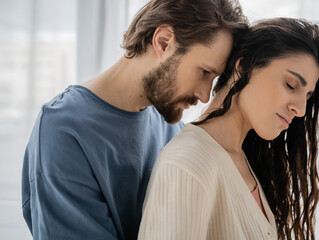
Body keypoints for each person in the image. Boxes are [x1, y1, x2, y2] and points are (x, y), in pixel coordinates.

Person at [21, 0, 248, 239]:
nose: (203, 96)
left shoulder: (170, 127)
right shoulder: (64, 130)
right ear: (164, 42)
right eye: (204, 72)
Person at [138, 18, 319, 240]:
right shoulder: (188, 162)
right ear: (244, 66)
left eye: (307, 96)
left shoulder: (243, 161)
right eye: (291, 85)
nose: (301, 109)